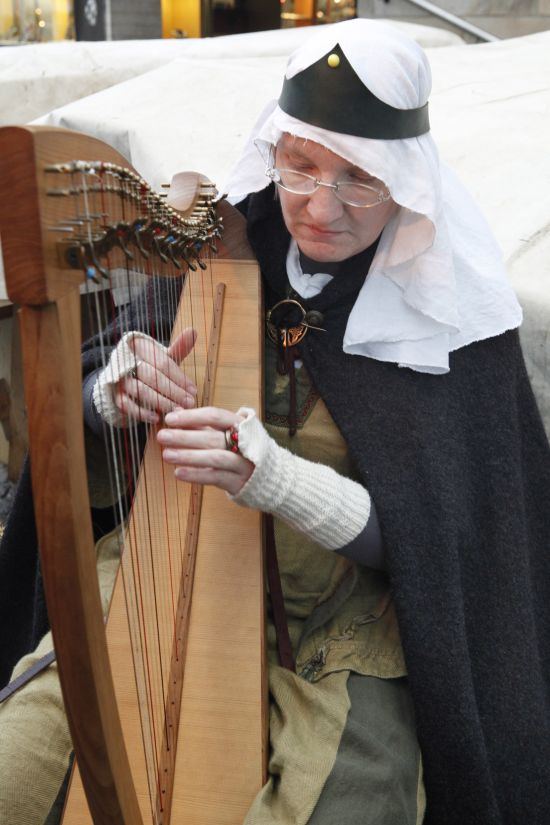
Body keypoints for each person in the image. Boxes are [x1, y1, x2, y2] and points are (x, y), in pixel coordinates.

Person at [1, 17, 550, 825]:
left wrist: (281, 481)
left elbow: (455, 544)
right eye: (300, 165)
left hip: (349, 624)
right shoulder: (227, 242)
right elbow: (77, 422)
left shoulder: (455, 317)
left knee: (350, 804)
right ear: (273, 149)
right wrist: (106, 396)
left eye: (359, 179)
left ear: (406, 180)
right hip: (165, 572)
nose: (320, 206)